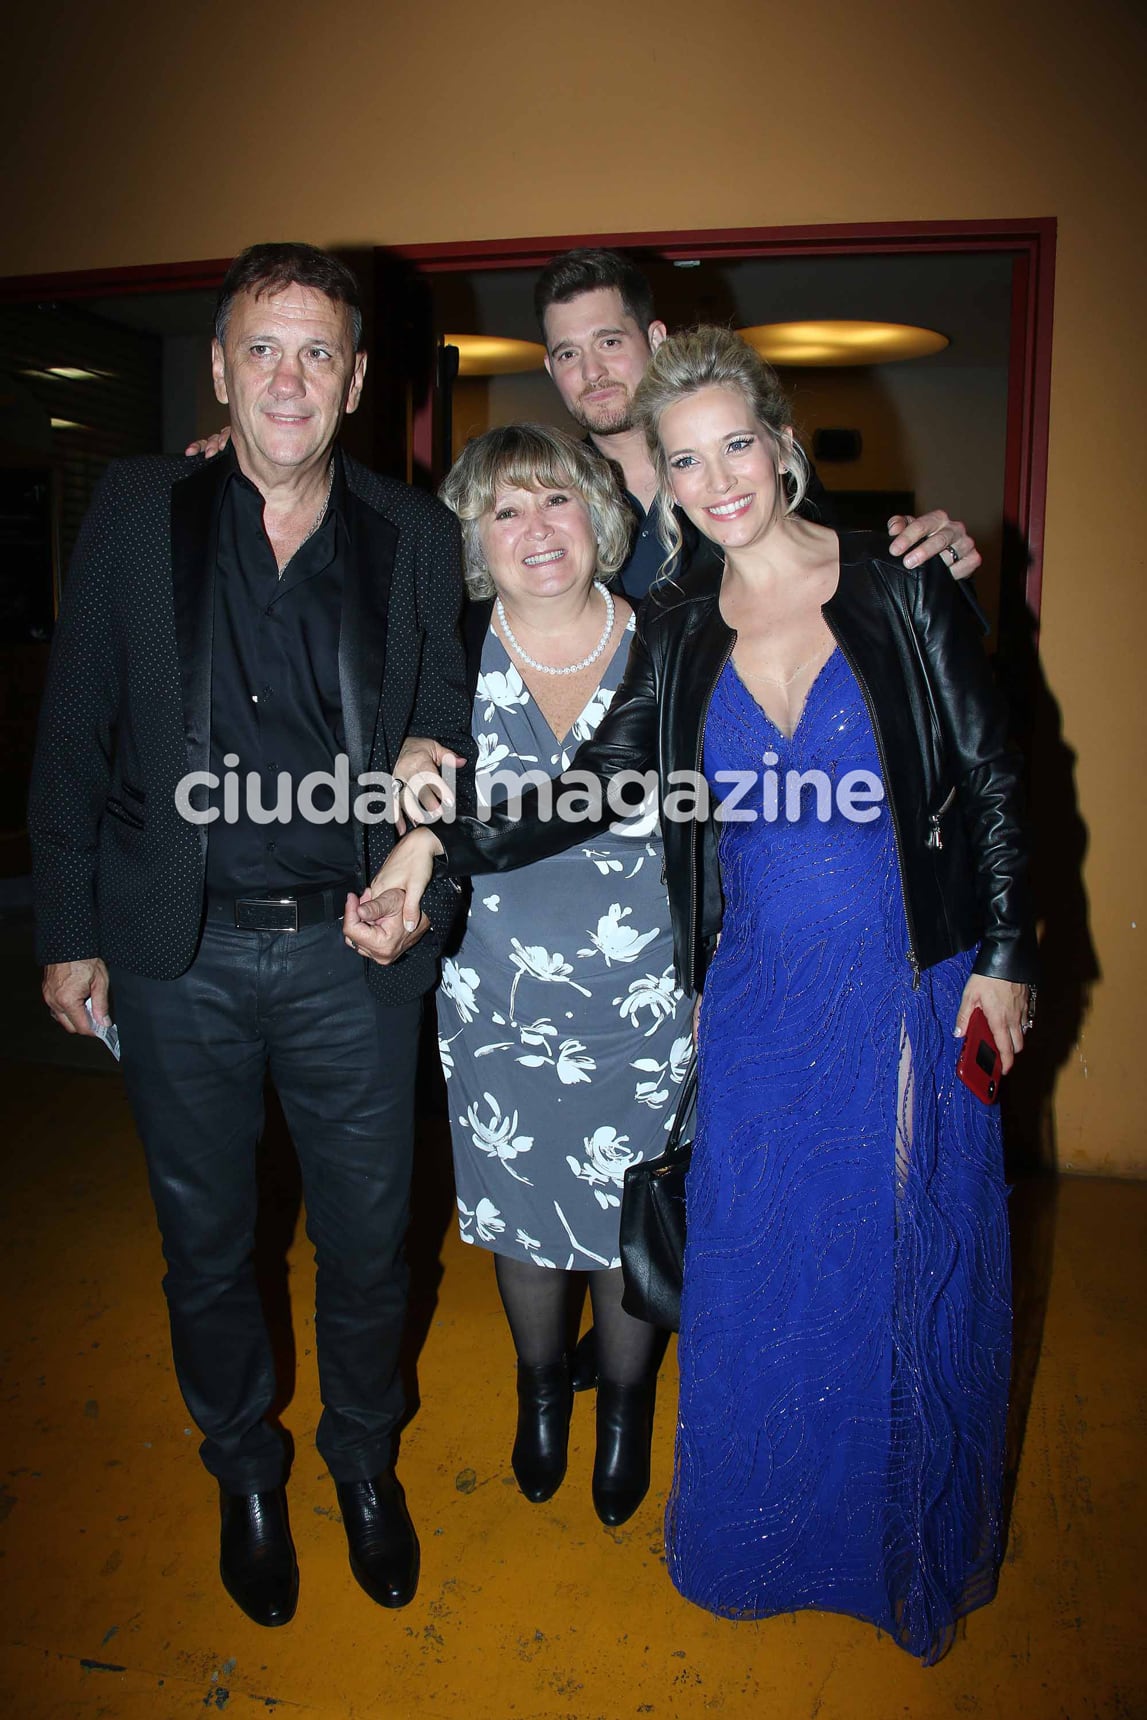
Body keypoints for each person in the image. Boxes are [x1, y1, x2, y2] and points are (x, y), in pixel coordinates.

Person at [346, 327, 1038, 1663]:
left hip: (905, 981)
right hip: (755, 997)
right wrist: (431, 844)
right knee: (761, 1274)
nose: (716, 479)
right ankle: (772, 1533)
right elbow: (584, 789)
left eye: (736, 445)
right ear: (656, 484)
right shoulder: (672, 630)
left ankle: (889, 1538)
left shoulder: (897, 587)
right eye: (683, 460)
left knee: (892, 1269)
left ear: (779, 446)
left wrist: (1004, 957)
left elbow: (995, 776)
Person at [29, 242, 475, 1626]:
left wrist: (420, 777)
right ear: (220, 368)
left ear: (355, 383)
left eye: (317, 353)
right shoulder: (137, 507)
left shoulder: (410, 537)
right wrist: (67, 928)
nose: (289, 376)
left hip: (354, 954)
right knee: (207, 1242)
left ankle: (358, 1463)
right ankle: (244, 1472)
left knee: (369, 1241)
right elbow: (76, 725)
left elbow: (447, 721)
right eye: (263, 350)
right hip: (182, 950)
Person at [422, 423, 690, 1525]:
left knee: (635, 1222)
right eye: (505, 510)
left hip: (648, 1006)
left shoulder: (672, 639)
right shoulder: (444, 647)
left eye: (557, 502)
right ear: (478, 540)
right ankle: (542, 1396)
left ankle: (623, 1408)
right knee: (524, 1214)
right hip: (495, 1004)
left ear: (601, 515)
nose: (536, 531)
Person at [533, 247, 984, 600]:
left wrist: (935, 561)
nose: (592, 373)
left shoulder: (762, 469)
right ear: (552, 370)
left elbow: (843, 578)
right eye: (568, 354)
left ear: (655, 339)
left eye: (609, 342)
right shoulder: (547, 498)